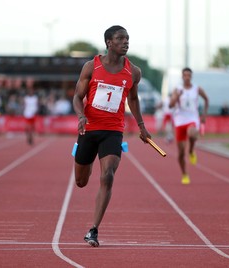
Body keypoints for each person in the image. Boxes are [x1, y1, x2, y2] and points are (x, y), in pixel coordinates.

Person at [72, 25, 151, 247]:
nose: (126, 42)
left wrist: (142, 126)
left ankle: (93, 229)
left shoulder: (133, 72)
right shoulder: (91, 66)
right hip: (89, 129)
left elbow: (133, 99)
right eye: (120, 38)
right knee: (80, 181)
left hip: (113, 130)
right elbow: (78, 97)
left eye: (127, 38)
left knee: (108, 175)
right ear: (109, 42)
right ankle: (84, 159)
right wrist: (80, 116)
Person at [169, 67, 209, 185]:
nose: (187, 77)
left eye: (189, 75)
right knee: (181, 153)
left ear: (191, 77)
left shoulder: (197, 89)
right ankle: (184, 174)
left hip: (192, 118)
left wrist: (204, 115)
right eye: (185, 75)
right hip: (180, 120)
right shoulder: (178, 89)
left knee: (192, 133)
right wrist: (176, 97)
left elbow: (206, 99)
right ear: (182, 77)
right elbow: (171, 105)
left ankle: (191, 150)